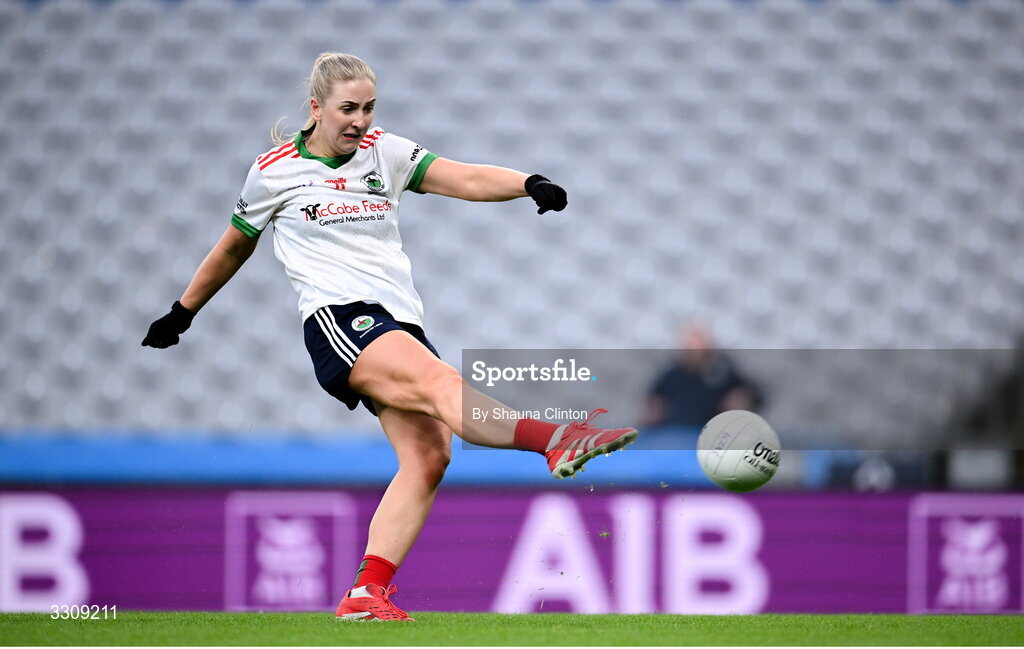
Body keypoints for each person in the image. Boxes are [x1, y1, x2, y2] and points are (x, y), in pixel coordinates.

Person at [142, 53, 638, 621]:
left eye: (368, 107)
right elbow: (234, 245)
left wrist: (528, 183)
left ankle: (364, 593)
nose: (359, 120)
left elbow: (465, 176)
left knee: (429, 454)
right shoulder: (274, 170)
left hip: (398, 321)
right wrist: (182, 312)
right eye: (347, 108)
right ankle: (555, 439)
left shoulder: (385, 151)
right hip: (338, 318)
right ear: (316, 108)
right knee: (439, 382)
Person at [643, 321, 763, 431]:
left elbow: (753, 395)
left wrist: (744, 400)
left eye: (699, 344)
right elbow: (652, 404)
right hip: (676, 434)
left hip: (715, 435)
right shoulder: (671, 376)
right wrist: (652, 412)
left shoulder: (723, 372)